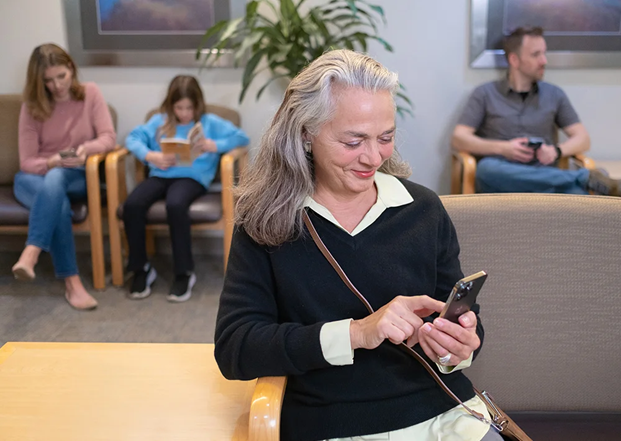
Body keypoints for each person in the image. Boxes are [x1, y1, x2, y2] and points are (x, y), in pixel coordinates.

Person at [215, 50, 502, 441]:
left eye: (386, 138)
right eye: (353, 141)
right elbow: (236, 347)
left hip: (443, 416)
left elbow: (461, 319)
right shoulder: (266, 221)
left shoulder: (422, 210)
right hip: (329, 424)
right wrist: (356, 332)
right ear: (306, 134)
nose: (373, 157)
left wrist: (459, 345)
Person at [123, 75, 249, 302]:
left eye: (189, 108)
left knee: (176, 204)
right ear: (171, 105)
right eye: (179, 107)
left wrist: (214, 145)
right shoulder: (160, 122)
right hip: (161, 174)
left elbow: (241, 137)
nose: (184, 113)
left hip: (192, 177)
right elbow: (133, 138)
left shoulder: (210, 122)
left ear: (197, 104)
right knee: (132, 205)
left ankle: (183, 272)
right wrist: (151, 155)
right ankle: (140, 268)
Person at [452, 26, 620, 196]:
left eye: (544, 53)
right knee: (486, 169)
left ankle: (579, 182)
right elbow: (459, 138)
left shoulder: (554, 94)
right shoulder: (485, 93)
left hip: (545, 177)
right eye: (536, 55)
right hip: (501, 178)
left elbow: (583, 139)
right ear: (514, 60)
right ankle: (583, 178)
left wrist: (556, 151)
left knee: (579, 196)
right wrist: (504, 148)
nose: (544, 61)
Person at [11, 43, 116, 310]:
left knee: (57, 179)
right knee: (57, 196)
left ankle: (31, 253)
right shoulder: (32, 107)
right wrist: (51, 161)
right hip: (33, 179)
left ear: (71, 68)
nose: (57, 85)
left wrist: (86, 149)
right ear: (39, 81)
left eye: (62, 76)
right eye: (48, 80)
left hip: (77, 176)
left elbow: (108, 138)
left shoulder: (90, 93)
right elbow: (27, 161)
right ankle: (72, 284)